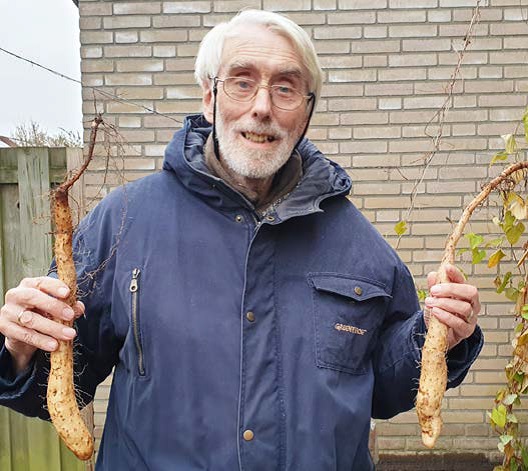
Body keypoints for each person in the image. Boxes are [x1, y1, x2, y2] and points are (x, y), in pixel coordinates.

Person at [0, 9, 482, 471]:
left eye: (286, 88)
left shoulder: (357, 244)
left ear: (307, 111)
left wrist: (440, 335)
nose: (262, 107)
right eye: (242, 81)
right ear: (209, 97)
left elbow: (385, 387)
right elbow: (61, 385)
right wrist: (22, 349)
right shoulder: (122, 222)